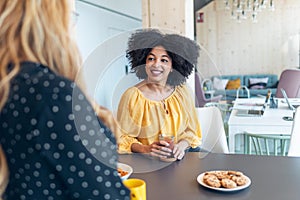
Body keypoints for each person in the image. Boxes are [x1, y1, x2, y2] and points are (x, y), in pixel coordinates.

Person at [0, 1, 130, 199]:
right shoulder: (53, 95)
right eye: (71, 17)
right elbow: (107, 194)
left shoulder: (8, 86)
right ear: (52, 22)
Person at [117, 29, 202, 160]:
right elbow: (122, 137)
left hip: (182, 158)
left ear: (173, 66)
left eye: (164, 60)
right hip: (146, 162)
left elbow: (192, 131)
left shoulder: (182, 91)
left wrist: (181, 146)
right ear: (144, 63)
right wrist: (146, 149)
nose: (156, 64)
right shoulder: (132, 96)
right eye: (151, 58)